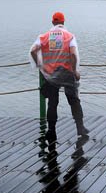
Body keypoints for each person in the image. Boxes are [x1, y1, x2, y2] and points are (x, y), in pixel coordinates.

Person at [30, 11, 88, 142]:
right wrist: (75, 71)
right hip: (67, 74)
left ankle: (51, 131)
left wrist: (40, 65)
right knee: (74, 101)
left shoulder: (44, 37)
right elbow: (73, 54)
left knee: (52, 103)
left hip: (51, 75)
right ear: (63, 22)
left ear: (53, 22)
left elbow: (33, 50)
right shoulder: (69, 36)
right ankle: (80, 128)